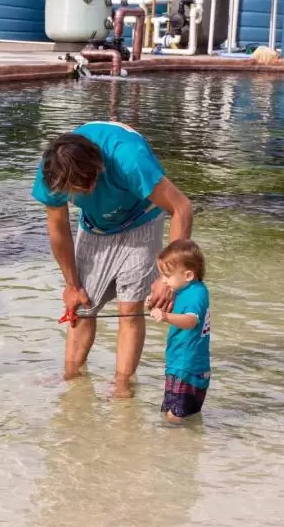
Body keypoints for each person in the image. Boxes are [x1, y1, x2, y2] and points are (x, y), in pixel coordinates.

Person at [32, 121, 193, 394]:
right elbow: (58, 230)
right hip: (95, 227)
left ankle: (122, 383)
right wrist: (71, 284)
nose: (81, 193)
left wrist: (168, 278)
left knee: (129, 310)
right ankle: (71, 377)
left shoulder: (128, 158)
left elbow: (181, 208)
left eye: (87, 185)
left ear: (100, 167)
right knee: (82, 307)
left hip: (142, 218)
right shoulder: (52, 173)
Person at [148, 239, 211, 423]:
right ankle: (185, 447)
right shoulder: (186, 290)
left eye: (167, 275)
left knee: (174, 417)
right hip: (182, 362)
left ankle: (174, 447)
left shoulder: (196, 294)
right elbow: (176, 310)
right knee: (178, 414)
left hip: (186, 365)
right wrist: (152, 304)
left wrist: (166, 317)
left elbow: (191, 321)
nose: (164, 280)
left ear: (188, 275)